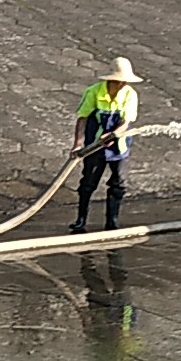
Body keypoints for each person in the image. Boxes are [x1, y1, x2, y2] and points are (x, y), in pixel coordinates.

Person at [69, 57, 142, 233]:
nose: (121, 84)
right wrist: (77, 144)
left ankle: (112, 221)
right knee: (88, 182)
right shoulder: (94, 92)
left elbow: (125, 122)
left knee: (118, 183)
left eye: (124, 81)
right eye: (118, 81)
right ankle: (81, 220)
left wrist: (114, 134)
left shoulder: (130, 94)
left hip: (119, 145)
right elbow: (83, 118)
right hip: (95, 145)